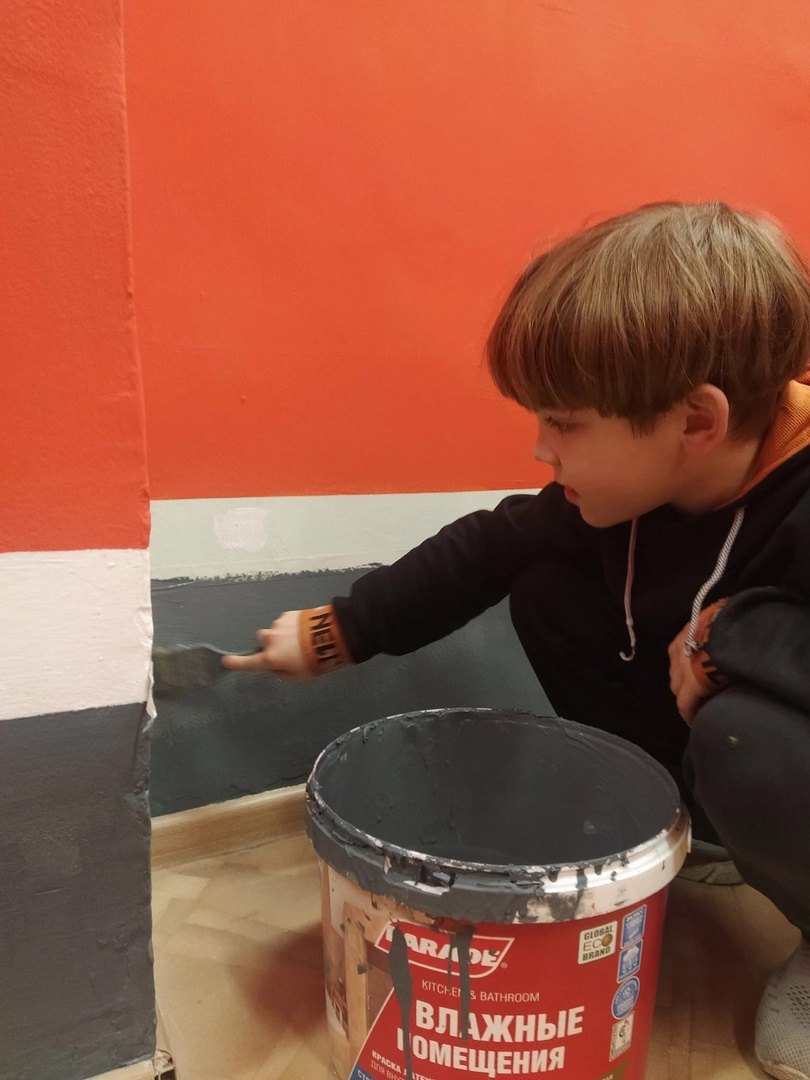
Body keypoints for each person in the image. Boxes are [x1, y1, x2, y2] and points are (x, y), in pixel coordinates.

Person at [224, 202, 810, 1080]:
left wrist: (736, 634)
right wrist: (335, 631)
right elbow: (487, 547)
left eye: (564, 424)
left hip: (777, 731)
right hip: (716, 714)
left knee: (746, 738)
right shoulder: (633, 492)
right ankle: (696, 830)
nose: (540, 449)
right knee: (545, 584)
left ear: (696, 422)